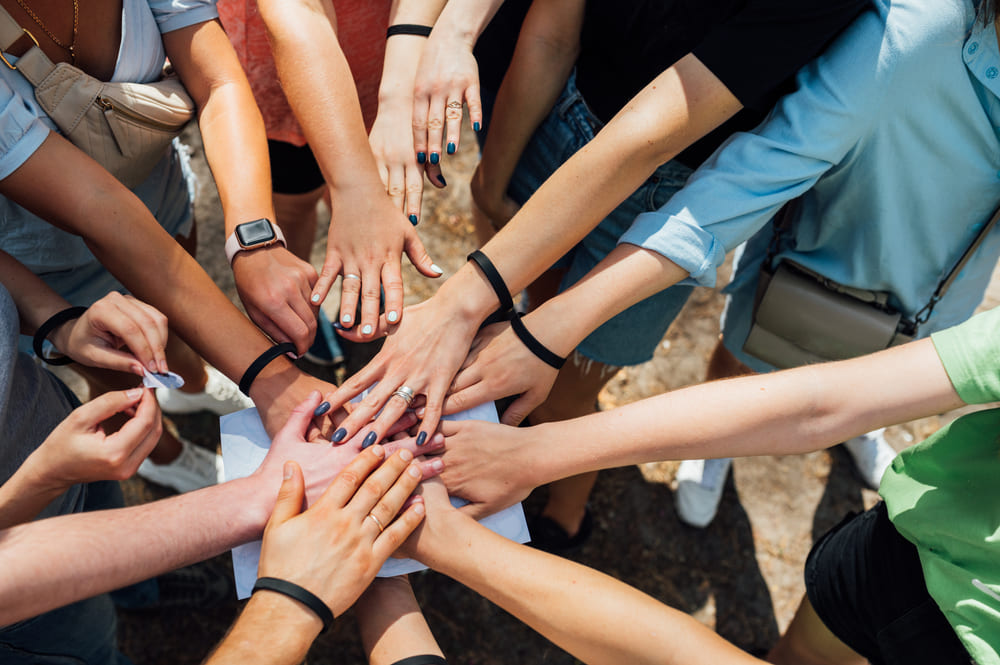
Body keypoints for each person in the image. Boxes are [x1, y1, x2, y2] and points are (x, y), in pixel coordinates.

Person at [322, 0, 867, 547]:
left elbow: (652, 135)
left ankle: (566, 507)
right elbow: (552, 31)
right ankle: (542, 451)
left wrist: (467, 300)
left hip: (678, 193)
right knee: (538, 330)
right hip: (560, 109)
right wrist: (493, 179)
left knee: (570, 392)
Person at [417, 305, 1000, 664]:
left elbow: (674, 655)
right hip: (902, 550)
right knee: (809, 645)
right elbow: (822, 405)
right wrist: (537, 452)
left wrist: (449, 547)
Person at [0, 0, 289, 491]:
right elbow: (98, 207)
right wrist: (272, 379)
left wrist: (255, 240)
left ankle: (192, 384)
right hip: (54, 264)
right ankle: (164, 455)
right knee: (120, 376)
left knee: (172, 326)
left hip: (161, 193)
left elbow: (219, 84)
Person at [216, 0, 446, 360]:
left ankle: (365, 270)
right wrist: (358, 192)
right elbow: (297, 12)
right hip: (286, 58)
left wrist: (400, 88)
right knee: (295, 201)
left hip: (386, 51)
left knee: (379, 198)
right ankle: (302, 301)